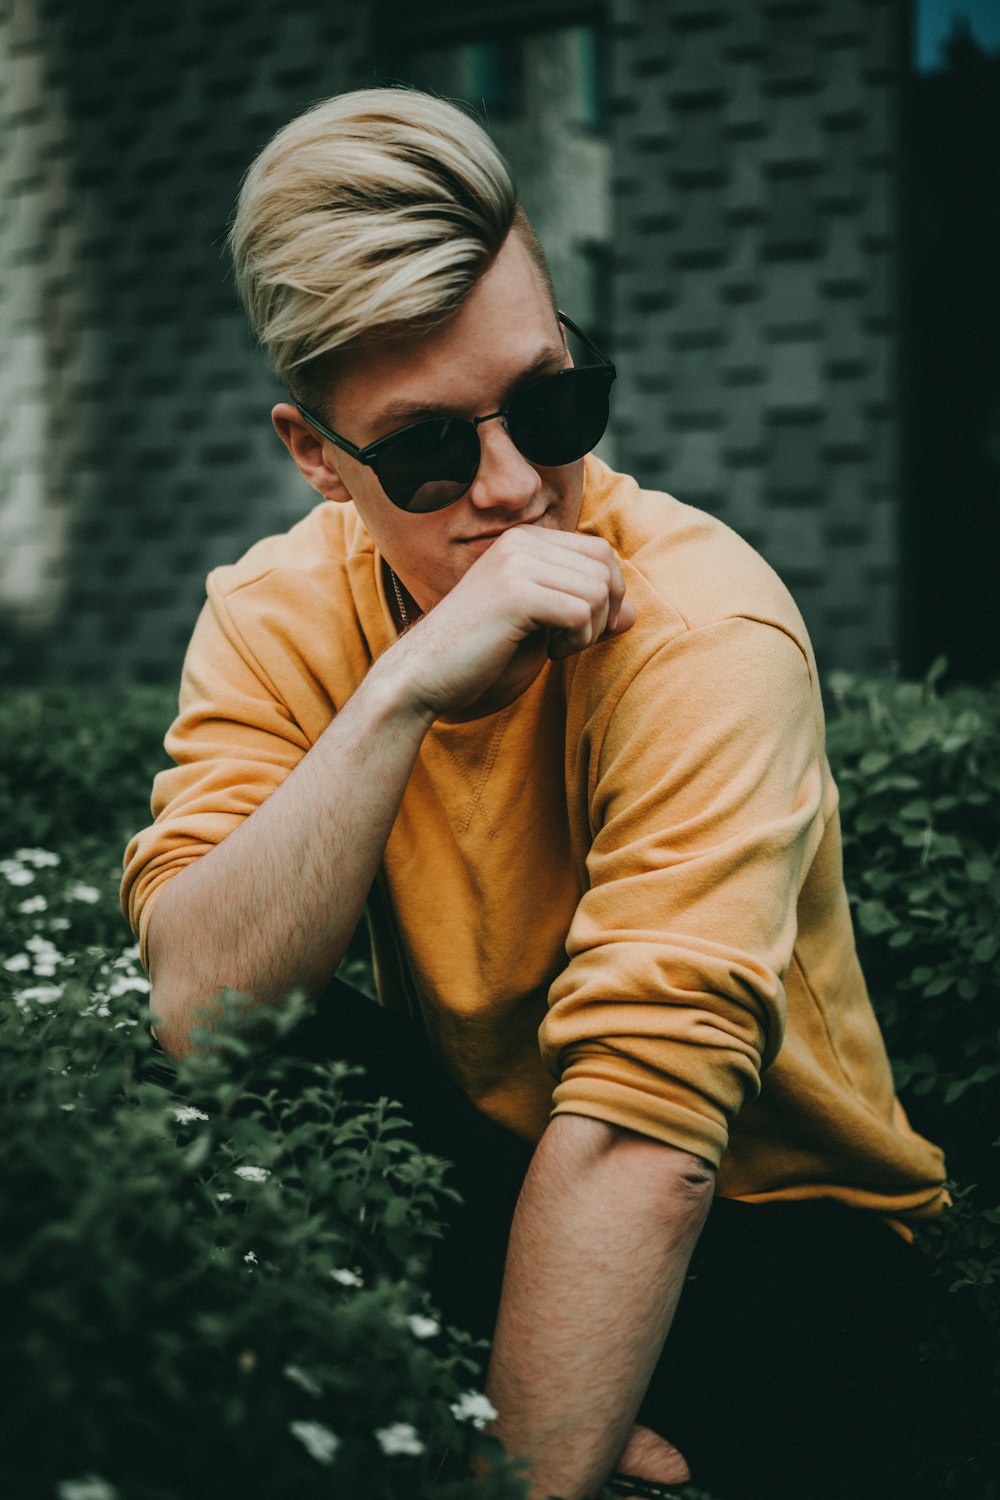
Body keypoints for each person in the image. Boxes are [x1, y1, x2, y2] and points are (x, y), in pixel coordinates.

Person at [123, 89, 950, 1500]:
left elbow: (648, 1127)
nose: (517, 490)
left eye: (551, 403)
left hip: (773, 1218)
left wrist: (512, 1464)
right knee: (278, 1056)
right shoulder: (277, 614)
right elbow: (207, 1015)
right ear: (317, 458)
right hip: (505, 1164)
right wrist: (396, 695)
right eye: (431, 451)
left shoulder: (700, 629)